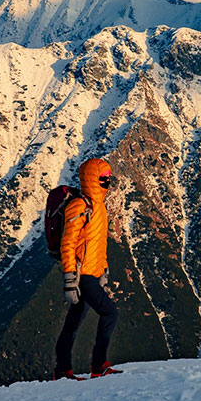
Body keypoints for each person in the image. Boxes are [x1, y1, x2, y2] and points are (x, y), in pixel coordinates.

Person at [53, 158, 122, 380]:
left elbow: (98, 243)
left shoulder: (99, 206)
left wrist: (104, 270)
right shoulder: (79, 205)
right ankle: (98, 365)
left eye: (108, 179)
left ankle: (63, 370)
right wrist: (70, 279)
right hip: (81, 275)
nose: (107, 183)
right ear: (92, 179)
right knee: (110, 312)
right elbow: (68, 244)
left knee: (73, 322)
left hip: (93, 273)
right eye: (103, 179)